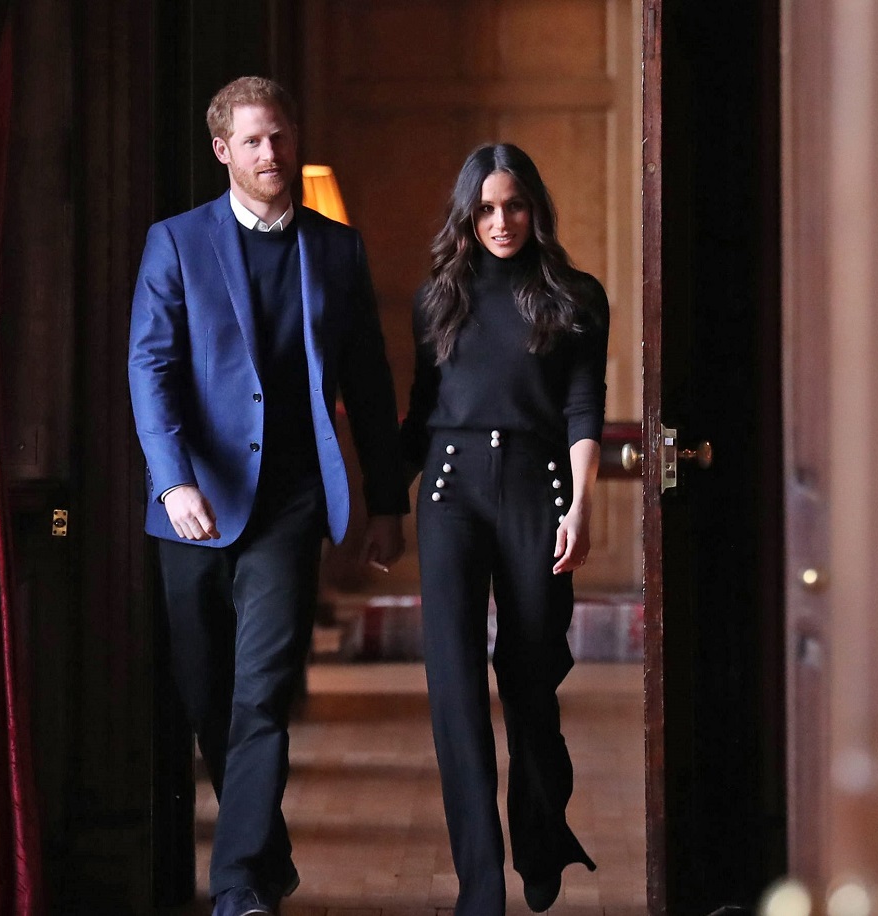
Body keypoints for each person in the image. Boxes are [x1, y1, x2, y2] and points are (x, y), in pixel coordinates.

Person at [128, 76, 408, 916]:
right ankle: (267, 852)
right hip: (195, 505)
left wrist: (386, 501)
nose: (271, 153)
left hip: (289, 503)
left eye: (280, 137)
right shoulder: (174, 243)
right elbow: (152, 370)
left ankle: (239, 884)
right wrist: (172, 479)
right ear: (223, 151)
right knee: (207, 690)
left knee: (261, 691)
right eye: (252, 141)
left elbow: (367, 376)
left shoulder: (336, 250)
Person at [399, 143, 608, 916]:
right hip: (450, 492)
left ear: (534, 208)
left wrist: (582, 505)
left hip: (539, 488)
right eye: (484, 208)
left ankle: (542, 833)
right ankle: (478, 890)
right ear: (466, 214)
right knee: (454, 691)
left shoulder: (577, 296)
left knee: (531, 678)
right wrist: (384, 505)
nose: (500, 221)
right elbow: (421, 411)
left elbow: (586, 406)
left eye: (513, 205)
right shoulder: (436, 300)